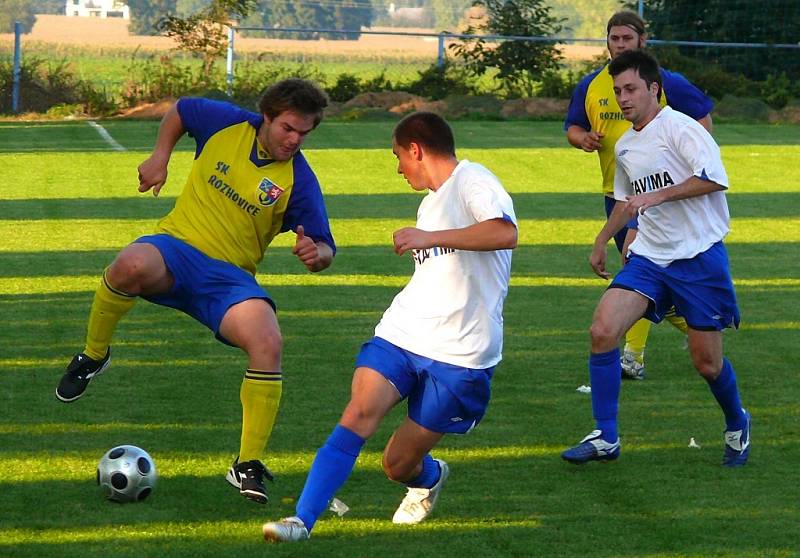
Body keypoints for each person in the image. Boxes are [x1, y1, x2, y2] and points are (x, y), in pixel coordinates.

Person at [55, 78, 336, 504]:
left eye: (304, 133)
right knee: (128, 264)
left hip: (228, 280)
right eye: (288, 129)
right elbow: (181, 110)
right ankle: (93, 356)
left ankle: (247, 464)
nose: (295, 140)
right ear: (267, 117)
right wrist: (160, 157)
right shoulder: (226, 124)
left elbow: (326, 245)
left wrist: (317, 254)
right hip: (176, 247)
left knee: (268, 341)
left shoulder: (299, 180)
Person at [261, 112, 518, 542]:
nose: (399, 167)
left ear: (416, 149)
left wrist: (428, 237)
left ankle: (429, 478)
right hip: (404, 333)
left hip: (461, 354)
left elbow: (504, 233)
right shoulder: (432, 200)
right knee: (358, 413)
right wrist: (427, 236)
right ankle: (301, 521)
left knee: (397, 464)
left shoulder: (475, 181)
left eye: (399, 156)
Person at [561, 49, 750, 468]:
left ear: (653, 89)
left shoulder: (680, 128)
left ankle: (737, 422)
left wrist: (659, 195)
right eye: (617, 91)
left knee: (707, 363)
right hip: (650, 258)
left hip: (698, 258)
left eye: (630, 89)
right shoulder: (626, 145)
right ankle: (606, 436)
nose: (622, 98)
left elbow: (715, 179)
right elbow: (629, 201)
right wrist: (603, 239)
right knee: (602, 330)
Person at [564, 10, 714, 380]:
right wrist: (582, 139)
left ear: (642, 42)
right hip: (616, 193)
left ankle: (634, 355)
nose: (619, 46)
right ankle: (699, 327)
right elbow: (573, 125)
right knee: (644, 276)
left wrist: (693, 157)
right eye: (614, 39)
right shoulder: (593, 84)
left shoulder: (663, 82)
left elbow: (703, 119)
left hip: (655, 197)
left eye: (626, 39)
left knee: (635, 269)